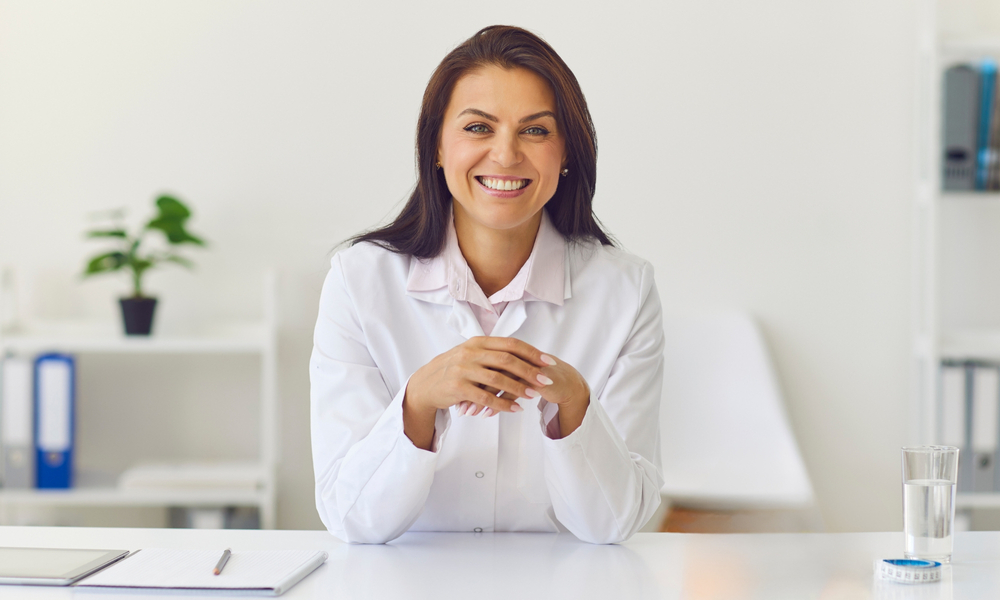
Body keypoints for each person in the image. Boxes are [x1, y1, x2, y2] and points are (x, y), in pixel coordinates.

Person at [310, 25, 664, 544]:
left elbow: (613, 525)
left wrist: (573, 406)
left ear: (567, 152)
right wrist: (419, 402)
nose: (505, 155)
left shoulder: (626, 290)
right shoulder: (358, 281)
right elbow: (352, 519)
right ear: (436, 146)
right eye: (478, 127)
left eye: (536, 130)